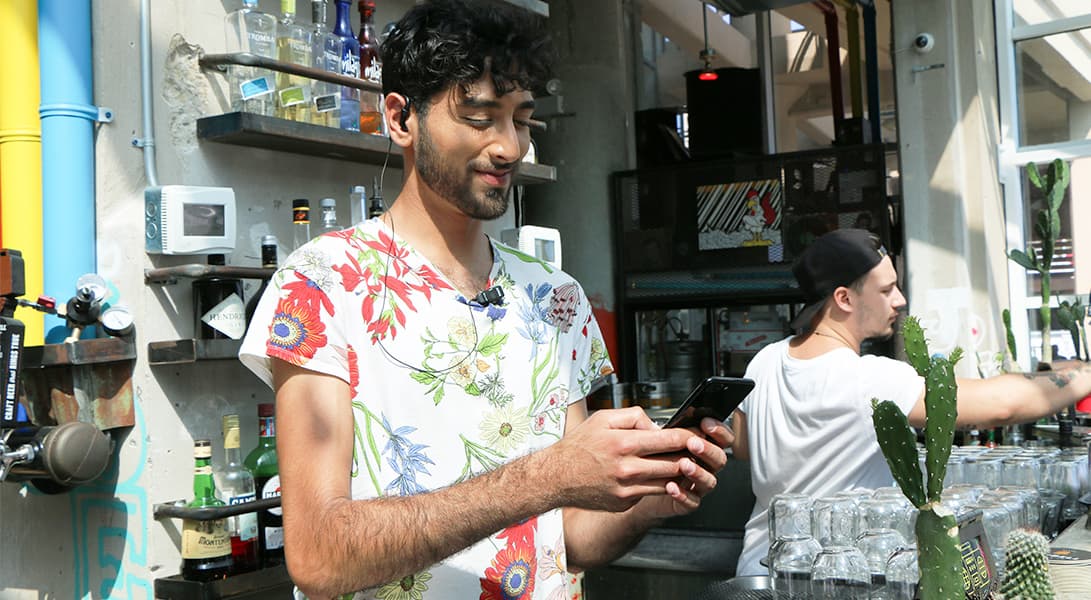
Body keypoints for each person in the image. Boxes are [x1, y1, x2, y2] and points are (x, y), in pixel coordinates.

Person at [239, 1, 733, 598]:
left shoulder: (556, 298)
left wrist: (650, 500)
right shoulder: (323, 282)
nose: (510, 147)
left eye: (521, 120)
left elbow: (569, 540)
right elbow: (318, 555)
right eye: (479, 117)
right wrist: (547, 477)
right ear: (400, 118)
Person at [731, 228, 1091, 576]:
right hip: (831, 576)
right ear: (844, 298)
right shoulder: (870, 378)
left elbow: (745, 447)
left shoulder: (764, 359)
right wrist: (1085, 376)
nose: (900, 300)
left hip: (758, 568)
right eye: (886, 290)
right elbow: (1000, 405)